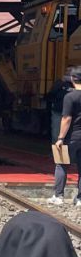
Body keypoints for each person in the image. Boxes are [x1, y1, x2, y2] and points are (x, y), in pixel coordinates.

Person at [51, 69, 81, 206]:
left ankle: (58, 196)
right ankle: (80, 198)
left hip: (71, 137)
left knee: (61, 164)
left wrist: (60, 138)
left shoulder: (70, 97)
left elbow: (66, 118)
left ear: (73, 79)